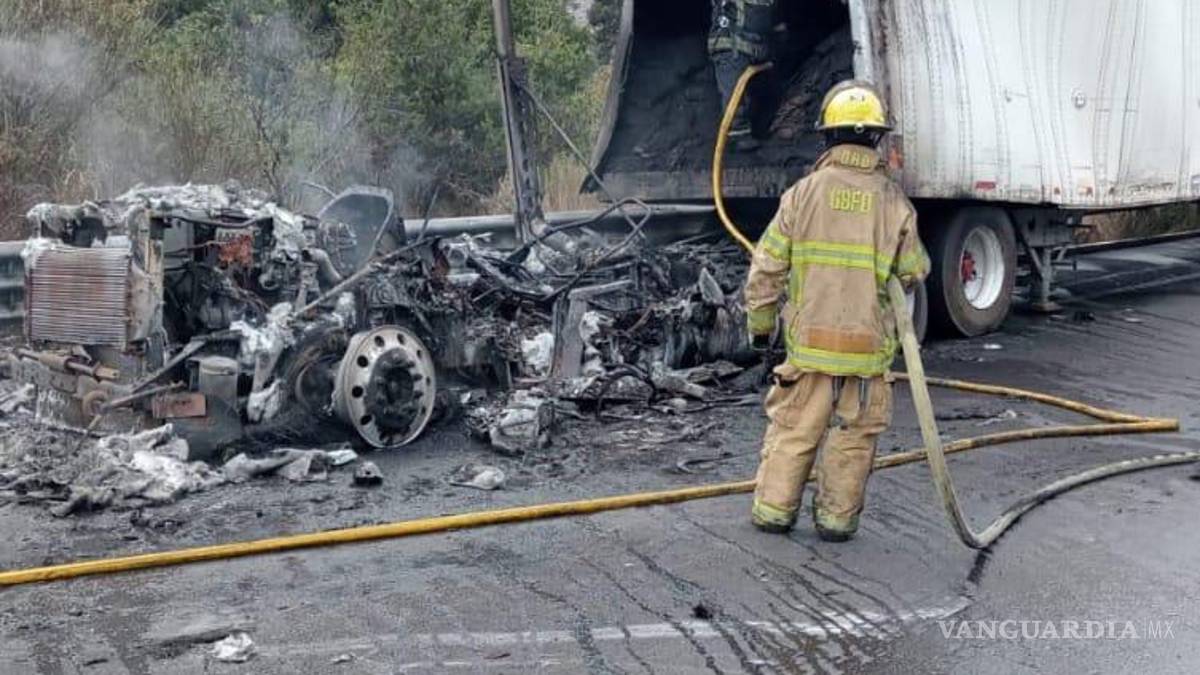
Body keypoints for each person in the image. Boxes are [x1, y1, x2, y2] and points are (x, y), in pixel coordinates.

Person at [743, 80, 931, 542]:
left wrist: (761, 329)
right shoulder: (893, 203)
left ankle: (773, 512)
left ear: (828, 136)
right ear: (875, 139)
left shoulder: (803, 194)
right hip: (866, 356)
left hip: (809, 350)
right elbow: (914, 270)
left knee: (793, 432)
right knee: (852, 441)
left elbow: (766, 267)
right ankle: (835, 522)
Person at [709, 0, 775, 149]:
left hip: (754, 47)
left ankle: (755, 128)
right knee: (734, 92)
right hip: (730, 46)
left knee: (753, 93)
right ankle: (737, 134)